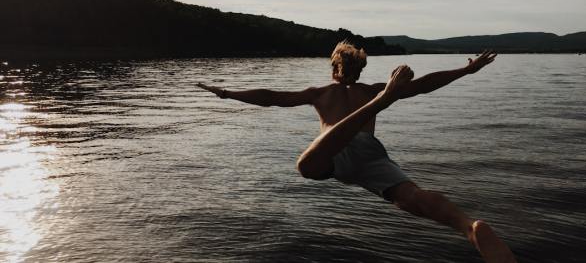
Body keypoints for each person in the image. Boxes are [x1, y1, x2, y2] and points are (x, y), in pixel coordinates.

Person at [197, 41, 516, 263]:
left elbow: (271, 97)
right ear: (359, 70)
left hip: (334, 150)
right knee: (411, 198)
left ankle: (375, 108)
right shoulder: (368, 89)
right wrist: (465, 70)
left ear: (333, 68)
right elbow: (424, 84)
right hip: (371, 154)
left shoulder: (319, 93)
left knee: (306, 167)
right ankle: (469, 227)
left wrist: (228, 93)